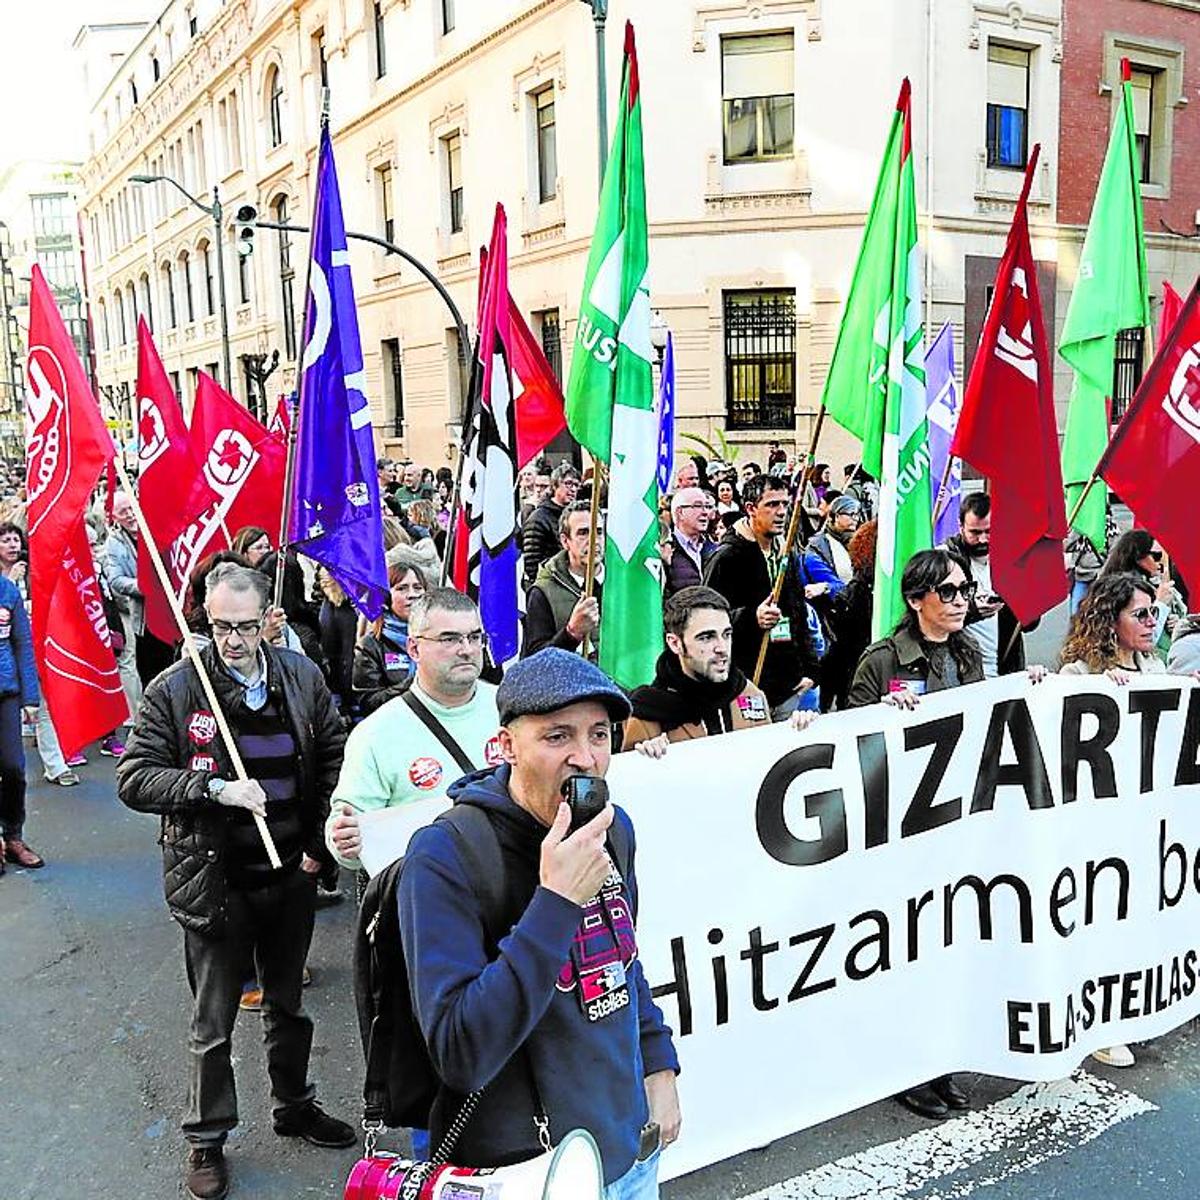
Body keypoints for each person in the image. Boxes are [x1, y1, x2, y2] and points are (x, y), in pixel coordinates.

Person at [398, 648, 681, 1195]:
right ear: (506, 746)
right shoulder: (445, 855)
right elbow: (460, 1051)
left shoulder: (612, 828)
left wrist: (658, 1062)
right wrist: (556, 900)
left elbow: (622, 960)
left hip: (626, 1149)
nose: (585, 757)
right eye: (558, 737)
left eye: (599, 735)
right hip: (524, 1172)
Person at [117, 564, 354, 1200]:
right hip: (215, 883)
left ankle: (295, 1104)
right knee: (213, 1022)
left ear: (267, 619)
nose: (234, 641)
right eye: (221, 627)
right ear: (205, 619)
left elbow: (334, 757)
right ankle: (206, 1139)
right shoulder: (176, 689)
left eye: (246, 627)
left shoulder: (300, 677)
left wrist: (317, 851)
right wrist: (212, 788)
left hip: (290, 877)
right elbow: (135, 778)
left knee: (288, 1005)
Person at [847, 548, 983, 1118]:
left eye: (965, 590)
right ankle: (906, 1067)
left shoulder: (968, 652)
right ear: (915, 599)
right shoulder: (881, 661)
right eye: (947, 592)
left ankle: (942, 1059)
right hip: (901, 827)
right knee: (907, 947)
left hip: (957, 821)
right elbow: (847, 737)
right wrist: (882, 714)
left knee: (951, 942)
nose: (960, 601)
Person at [1058, 571, 1179, 1070]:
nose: (1153, 622)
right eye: (1142, 614)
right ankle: (1099, 1026)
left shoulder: (1155, 664)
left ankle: (1134, 1008)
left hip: (1146, 822)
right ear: (1112, 621)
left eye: (1155, 613)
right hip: (1096, 828)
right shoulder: (1080, 674)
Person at [326, 589, 500, 872]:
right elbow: (346, 834)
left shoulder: (511, 710)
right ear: (414, 648)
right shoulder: (377, 733)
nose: (466, 649)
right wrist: (345, 842)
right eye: (450, 638)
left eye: (474, 636)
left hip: (515, 893)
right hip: (428, 899)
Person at [704, 474, 818, 719]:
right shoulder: (726, 557)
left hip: (788, 689)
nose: (781, 512)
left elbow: (798, 613)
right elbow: (706, 619)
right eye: (772, 504)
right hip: (744, 687)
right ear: (750, 508)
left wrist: (810, 670)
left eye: (785, 504)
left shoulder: (786, 554)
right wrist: (750, 618)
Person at [623, 587, 774, 752]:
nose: (722, 648)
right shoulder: (647, 712)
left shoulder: (749, 694)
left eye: (726, 634)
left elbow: (769, 761)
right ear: (675, 643)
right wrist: (647, 757)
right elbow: (632, 775)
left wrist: (797, 731)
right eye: (706, 637)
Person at [942, 492, 1033, 678]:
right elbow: (932, 617)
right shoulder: (945, 560)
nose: (983, 539)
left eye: (989, 531)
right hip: (959, 672)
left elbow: (1027, 624)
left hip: (1005, 669)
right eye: (974, 533)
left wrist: (1030, 604)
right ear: (961, 527)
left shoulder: (1012, 560)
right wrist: (972, 611)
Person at [0, 564, 44, 873]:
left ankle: (13, 836)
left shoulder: (7, 590)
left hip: (6, 691)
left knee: (14, 767)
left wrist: (30, 697)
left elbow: (23, 643)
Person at [352, 551, 432, 713]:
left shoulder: (439, 638)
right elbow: (368, 702)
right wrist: (415, 683)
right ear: (387, 598)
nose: (412, 595)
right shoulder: (371, 645)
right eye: (402, 588)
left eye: (418, 587)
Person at [524, 501, 603, 659]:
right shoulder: (544, 591)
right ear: (565, 541)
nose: (594, 540)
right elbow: (535, 661)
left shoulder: (623, 582)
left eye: (599, 531)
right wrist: (571, 633)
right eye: (583, 533)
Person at [1099, 529, 1185, 658]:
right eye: (1156, 556)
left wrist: (1176, 623)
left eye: (1164, 555)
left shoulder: (1156, 582)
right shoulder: (1120, 589)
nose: (1161, 562)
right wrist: (1160, 605)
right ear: (1138, 557)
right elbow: (1143, 639)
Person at [522, 462, 581, 588]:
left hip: (571, 583)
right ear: (555, 486)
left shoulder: (573, 516)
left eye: (576, 485)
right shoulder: (538, 518)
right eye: (568, 483)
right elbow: (532, 564)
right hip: (548, 586)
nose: (573, 489)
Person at [803, 495, 861, 599]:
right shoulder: (816, 548)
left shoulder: (859, 543)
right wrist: (828, 587)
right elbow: (831, 585)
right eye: (851, 514)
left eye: (857, 514)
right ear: (835, 516)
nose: (855, 519)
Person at [664, 488, 717, 598]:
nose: (705, 512)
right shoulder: (667, 552)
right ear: (680, 512)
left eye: (707, 506)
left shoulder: (715, 550)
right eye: (698, 506)